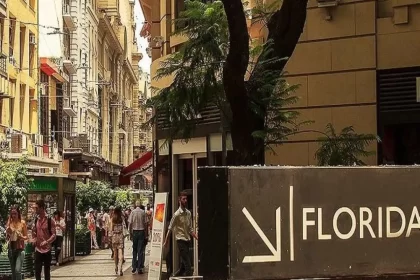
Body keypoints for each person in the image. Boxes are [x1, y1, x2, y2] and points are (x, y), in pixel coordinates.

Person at [164, 192, 198, 277]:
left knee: (183, 264)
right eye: (184, 199)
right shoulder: (177, 214)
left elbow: (190, 229)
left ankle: (175, 276)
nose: (186, 201)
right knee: (188, 265)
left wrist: (196, 237)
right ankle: (188, 277)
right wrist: (166, 241)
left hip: (187, 240)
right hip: (180, 240)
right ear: (179, 200)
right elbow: (170, 228)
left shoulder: (188, 213)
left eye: (186, 199)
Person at [32, 200, 56, 280]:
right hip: (38, 249)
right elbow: (34, 232)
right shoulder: (36, 220)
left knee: (47, 271)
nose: (35, 210)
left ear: (42, 208)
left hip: (47, 249)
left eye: (37, 208)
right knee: (37, 270)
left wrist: (47, 241)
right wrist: (34, 238)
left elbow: (54, 235)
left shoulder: (50, 220)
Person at [6, 205, 28, 280]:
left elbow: (26, 237)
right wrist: (8, 234)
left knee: (17, 270)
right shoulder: (9, 223)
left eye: (15, 213)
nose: (13, 215)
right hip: (11, 249)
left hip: (20, 249)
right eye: (12, 214)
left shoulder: (22, 223)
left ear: (18, 213)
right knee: (13, 272)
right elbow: (7, 238)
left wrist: (21, 237)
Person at [128, 201, 148, 274]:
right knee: (140, 250)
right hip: (141, 232)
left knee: (134, 250)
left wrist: (130, 233)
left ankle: (134, 267)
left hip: (135, 232)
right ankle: (139, 268)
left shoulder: (132, 212)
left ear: (135, 205)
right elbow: (146, 224)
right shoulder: (143, 212)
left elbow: (130, 223)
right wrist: (146, 234)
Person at [111, 206, 125, 276]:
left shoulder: (113, 218)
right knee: (120, 254)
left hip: (114, 237)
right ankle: (121, 269)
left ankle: (116, 267)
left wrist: (110, 238)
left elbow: (112, 229)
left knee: (115, 254)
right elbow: (124, 227)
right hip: (120, 237)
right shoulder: (122, 218)